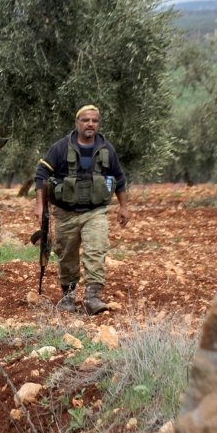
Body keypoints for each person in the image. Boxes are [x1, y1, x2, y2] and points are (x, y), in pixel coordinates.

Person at [33, 104, 130, 314]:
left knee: (96, 250)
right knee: (67, 255)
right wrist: (40, 205)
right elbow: (41, 174)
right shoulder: (60, 147)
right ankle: (68, 297)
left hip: (95, 212)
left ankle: (92, 298)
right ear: (77, 122)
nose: (90, 124)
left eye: (95, 121)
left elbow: (119, 178)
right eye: (86, 120)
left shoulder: (107, 149)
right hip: (65, 213)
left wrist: (124, 206)